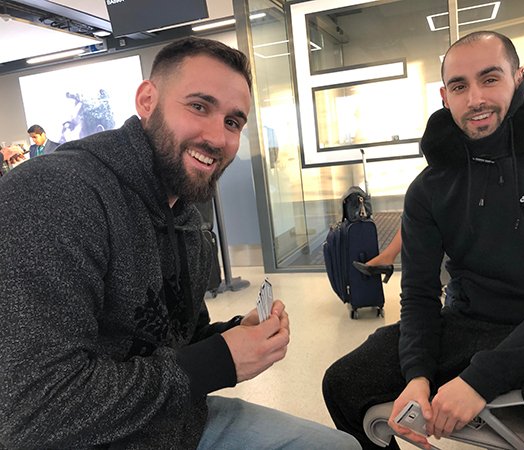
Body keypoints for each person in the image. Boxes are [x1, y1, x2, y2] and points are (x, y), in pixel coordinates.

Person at [0, 37, 360, 450]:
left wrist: (229, 337)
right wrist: (217, 362)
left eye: (233, 122)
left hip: (178, 425)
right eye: (199, 106)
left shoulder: (185, 216)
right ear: (147, 99)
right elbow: (35, 415)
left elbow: (167, 340)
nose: (216, 136)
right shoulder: (54, 196)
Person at [323, 30, 524, 450]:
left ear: (519, 77)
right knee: (344, 381)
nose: (475, 99)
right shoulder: (429, 188)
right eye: (459, 86)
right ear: (444, 96)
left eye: (490, 79)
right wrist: (417, 374)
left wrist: (478, 382)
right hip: (467, 324)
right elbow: (418, 293)